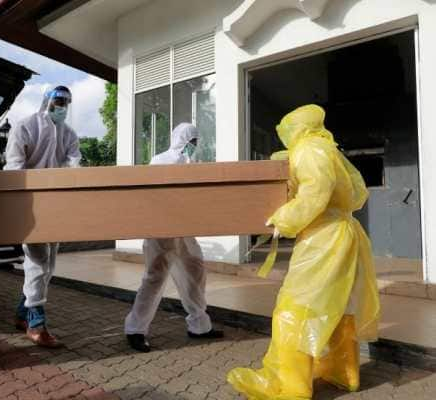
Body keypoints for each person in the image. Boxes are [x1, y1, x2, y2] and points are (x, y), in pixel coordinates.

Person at [227, 105, 381, 399]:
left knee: (293, 309)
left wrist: (283, 218)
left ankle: (289, 387)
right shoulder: (325, 148)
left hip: (323, 241)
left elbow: (315, 192)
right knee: (335, 307)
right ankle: (342, 372)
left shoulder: (310, 150)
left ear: (295, 129)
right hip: (340, 236)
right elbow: (356, 193)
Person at [124, 123, 224, 352]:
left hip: (184, 228)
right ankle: (135, 331)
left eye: (196, 142)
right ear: (183, 140)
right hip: (161, 229)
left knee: (194, 271)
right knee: (155, 278)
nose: (195, 147)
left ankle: (199, 326)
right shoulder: (160, 161)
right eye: (193, 142)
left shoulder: (192, 165)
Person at [4, 86, 81, 347]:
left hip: (56, 205)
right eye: (58, 101)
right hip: (31, 204)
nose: (62, 107)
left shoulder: (69, 134)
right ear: (47, 101)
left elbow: (74, 163)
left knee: (49, 265)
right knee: (37, 261)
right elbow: (14, 166)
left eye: (66, 103)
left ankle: (22, 313)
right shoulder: (25, 127)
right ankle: (36, 323)